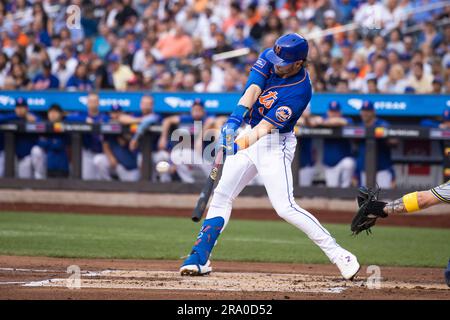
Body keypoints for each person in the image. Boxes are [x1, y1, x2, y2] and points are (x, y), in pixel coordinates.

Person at [180, 33, 360, 280]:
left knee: (285, 208)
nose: (276, 64)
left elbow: (264, 129)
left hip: (275, 144)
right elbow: (253, 88)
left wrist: (236, 144)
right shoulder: (271, 56)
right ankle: (200, 257)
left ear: (298, 63)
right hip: (248, 132)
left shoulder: (300, 91)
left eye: (283, 62)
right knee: (221, 196)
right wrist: (234, 119)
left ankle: (341, 255)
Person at [157, 99, 215, 183]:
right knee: (175, 156)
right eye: (195, 110)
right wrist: (163, 137)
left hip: (204, 156)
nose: (196, 112)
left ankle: (214, 186)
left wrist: (199, 138)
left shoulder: (206, 119)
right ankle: (189, 183)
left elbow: (211, 121)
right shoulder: (186, 119)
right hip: (189, 154)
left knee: (212, 176)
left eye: (199, 110)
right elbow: (167, 120)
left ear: (203, 111)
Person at [66, 92, 109, 180]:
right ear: (87, 103)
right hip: (87, 152)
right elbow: (68, 118)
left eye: (95, 101)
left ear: (98, 103)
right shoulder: (82, 115)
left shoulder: (104, 117)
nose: (92, 103)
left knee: (101, 174)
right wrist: (85, 120)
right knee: (87, 178)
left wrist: (96, 123)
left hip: (101, 152)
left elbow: (109, 122)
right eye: (90, 101)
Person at [93, 105, 140, 182]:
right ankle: (106, 185)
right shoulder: (107, 125)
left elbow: (135, 141)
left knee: (131, 184)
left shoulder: (131, 124)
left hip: (129, 165)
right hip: (115, 163)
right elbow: (105, 143)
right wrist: (110, 157)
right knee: (99, 160)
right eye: (113, 113)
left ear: (122, 113)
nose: (115, 115)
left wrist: (125, 136)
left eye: (117, 112)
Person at [357, 101, 396, 189]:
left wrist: (384, 136)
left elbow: (394, 141)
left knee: (384, 200)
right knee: (365, 201)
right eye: (363, 111)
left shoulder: (382, 124)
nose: (365, 113)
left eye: (367, 111)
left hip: (382, 170)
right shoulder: (359, 126)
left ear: (373, 112)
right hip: (364, 170)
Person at [317, 101, 356, 188]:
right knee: (332, 189)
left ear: (340, 112)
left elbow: (340, 122)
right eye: (332, 112)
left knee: (349, 163)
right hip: (329, 163)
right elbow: (314, 121)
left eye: (336, 112)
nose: (334, 114)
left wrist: (324, 122)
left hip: (343, 160)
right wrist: (321, 121)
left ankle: (346, 187)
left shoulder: (347, 119)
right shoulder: (324, 118)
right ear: (328, 112)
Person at [0, 97, 41, 178]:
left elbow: (40, 123)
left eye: (22, 107)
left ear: (27, 108)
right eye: (18, 107)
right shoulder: (11, 117)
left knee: (24, 183)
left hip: (26, 157)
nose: (20, 110)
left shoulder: (32, 117)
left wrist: (35, 121)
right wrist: (15, 116)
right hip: (11, 156)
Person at [32, 104, 70, 178]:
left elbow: (58, 145)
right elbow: (38, 142)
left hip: (61, 167)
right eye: (51, 112)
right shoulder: (43, 125)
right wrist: (51, 142)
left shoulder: (64, 125)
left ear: (61, 114)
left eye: (55, 112)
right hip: (44, 165)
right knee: (36, 150)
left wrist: (46, 142)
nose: (53, 114)